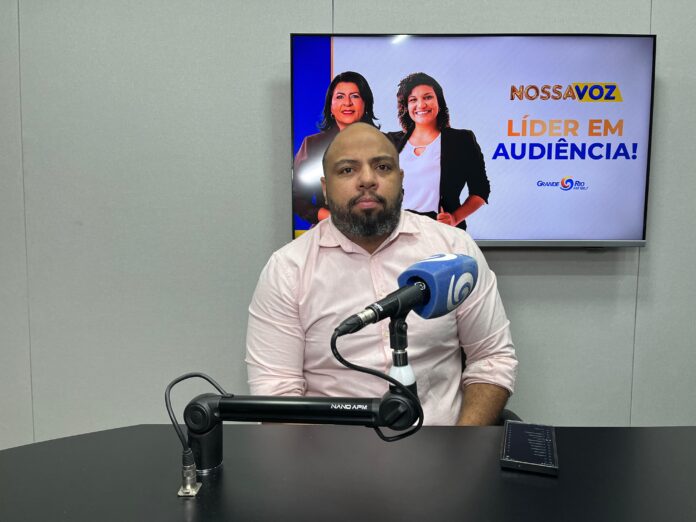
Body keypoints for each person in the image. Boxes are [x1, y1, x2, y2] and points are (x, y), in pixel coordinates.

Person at [247, 123, 516, 426]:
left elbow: (491, 359)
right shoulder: (288, 269)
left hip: (443, 445)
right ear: (325, 188)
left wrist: (462, 445)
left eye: (383, 167)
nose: (367, 180)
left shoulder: (454, 249)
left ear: (401, 179)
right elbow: (277, 393)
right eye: (347, 170)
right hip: (331, 451)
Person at [387, 72, 490, 231]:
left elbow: (481, 190)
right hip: (397, 233)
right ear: (406, 107)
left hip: (441, 232)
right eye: (413, 100)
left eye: (428, 97)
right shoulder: (389, 142)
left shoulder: (461, 140)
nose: (421, 105)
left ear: (439, 101)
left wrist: (455, 218)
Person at [293, 71, 380, 228]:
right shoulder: (313, 145)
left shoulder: (382, 144)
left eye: (355, 96)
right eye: (340, 97)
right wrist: (332, 218)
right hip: (328, 229)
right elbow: (297, 198)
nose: (347, 103)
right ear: (331, 107)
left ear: (365, 104)